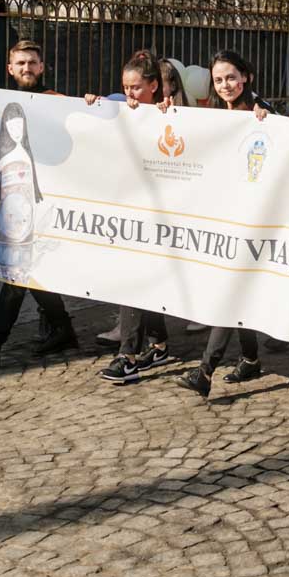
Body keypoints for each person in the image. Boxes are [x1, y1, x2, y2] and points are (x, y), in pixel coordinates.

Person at [0, 41, 78, 371]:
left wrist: (88, 105)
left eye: (32, 63)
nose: (27, 68)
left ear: (42, 67)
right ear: (10, 69)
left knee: (19, 273)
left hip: (46, 205)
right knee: (24, 273)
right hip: (13, 206)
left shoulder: (57, 102)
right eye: (20, 63)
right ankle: (61, 327)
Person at [172, 51, 277, 399]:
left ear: (245, 77)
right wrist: (163, 115)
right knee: (236, 294)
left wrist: (269, 122)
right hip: (226, 218)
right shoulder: (218, 116)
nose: (225, 85)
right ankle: (249, 358)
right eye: (218, 80)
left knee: (231, 295)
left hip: (257, 221)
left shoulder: (263, 114)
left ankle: (205, 370)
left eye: (231, 77)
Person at [88, 51, 180, 382]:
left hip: (158, 215)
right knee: (138, 278)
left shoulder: (167, 115)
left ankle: (127, 355)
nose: (129, 94)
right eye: (125, 87)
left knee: (135, 280)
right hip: (128, 211)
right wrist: (93, 104)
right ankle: (158, 344)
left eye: (137, 87)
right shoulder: (120, 111)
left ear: (155, 86)